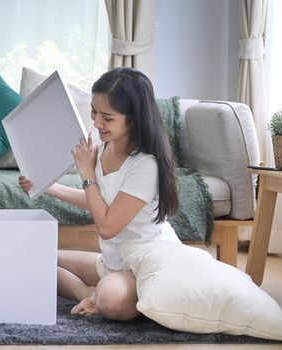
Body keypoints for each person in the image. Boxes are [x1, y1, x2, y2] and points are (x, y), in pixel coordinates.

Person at [19, 67, 179, 321]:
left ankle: (102, 295)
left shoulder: (145, 165)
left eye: (107, 117)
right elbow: (99, 202)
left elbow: (106, 226)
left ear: (134, 118)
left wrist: (86, 172)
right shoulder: (106, 148)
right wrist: (46, 187)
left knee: (111, 302)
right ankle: (88, 292)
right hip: (113, 261)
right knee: (33, 258)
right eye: (94, 111)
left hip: (142, 265)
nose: (96, 122)